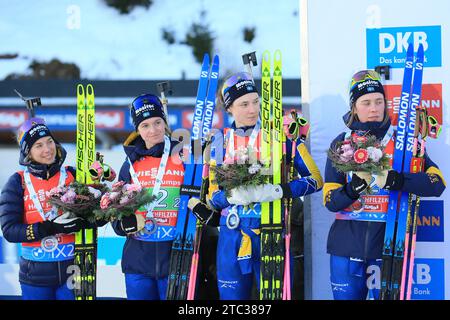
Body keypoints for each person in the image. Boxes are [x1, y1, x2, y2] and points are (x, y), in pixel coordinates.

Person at [188, 72, 323, 300]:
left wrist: (280, 190)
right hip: (232, 235)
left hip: (272, 232)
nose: (252, 109)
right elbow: (212, 197)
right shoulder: (220, 141)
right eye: (244, 104)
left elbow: (316, 179)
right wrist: (232, 196)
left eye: (255, 102)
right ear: (229, 108)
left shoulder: (281, 137)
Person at [323, 70, 446, 300]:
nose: (374, 108)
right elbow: (330, 201)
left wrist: (398, 180)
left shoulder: (405, 141)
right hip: (345, 249)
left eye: (379, 101)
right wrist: (352, 189)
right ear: (354, 106)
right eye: (366, 102)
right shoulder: (341, 142)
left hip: (390, 248)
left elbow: (437, 183)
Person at [0, 118, 86, 300]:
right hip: (35, 275)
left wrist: (96, 217)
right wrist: (49, 228)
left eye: (49, 141)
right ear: (28, 152)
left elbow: (95, 215)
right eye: (38, 145)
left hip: (72, 269)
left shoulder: (73, 175)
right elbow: (9, 231)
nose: (47, 149)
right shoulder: (17, 182)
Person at [111, 94, 185, 300]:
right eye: (145, 125)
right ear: (137, 130)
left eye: (157, 122)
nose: (153, 130)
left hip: (177, 259)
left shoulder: (184, 157)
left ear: (165, 122)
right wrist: (124, 223)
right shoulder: (130, 164)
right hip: (138, 263)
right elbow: (115, 213)